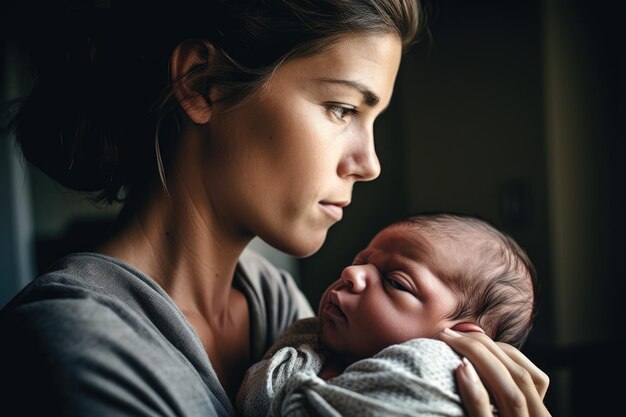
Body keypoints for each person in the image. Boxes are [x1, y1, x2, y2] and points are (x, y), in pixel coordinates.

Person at [0, 1, 550, 416]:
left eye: (372, 119)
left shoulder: (282, 310)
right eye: (341, 109)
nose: (369, 163)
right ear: (203, 84)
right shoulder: (76, 346)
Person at [236, 213, 538, 416]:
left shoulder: (430, 373)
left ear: (457, 340)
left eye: (395, 282)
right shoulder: (309, 338)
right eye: (360, 260)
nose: (351, 273)